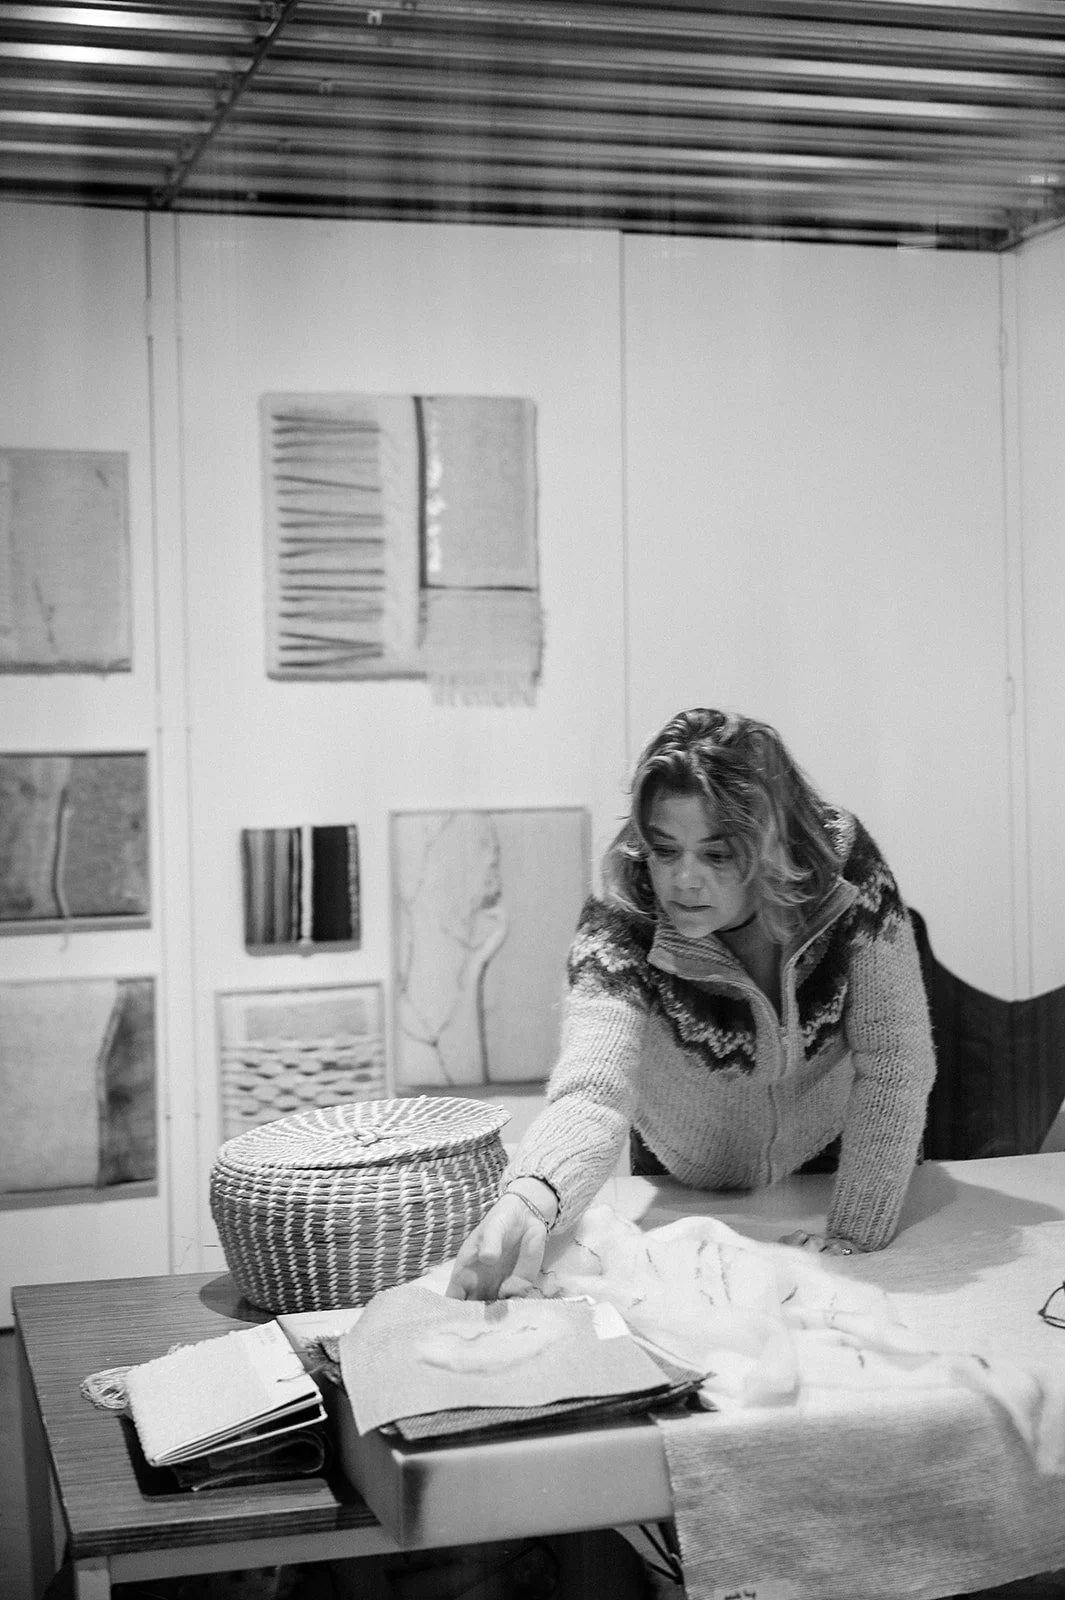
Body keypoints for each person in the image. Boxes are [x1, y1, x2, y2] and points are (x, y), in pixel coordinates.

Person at [447, 707, 936, 1301]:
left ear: (771, 843)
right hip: (683, 1179)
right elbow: (592, 1091)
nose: (683, 880)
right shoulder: (623, 911)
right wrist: (528, 1200)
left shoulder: (844, 867)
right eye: (665, 849)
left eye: (717, 854)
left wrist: (855, 1236)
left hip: (833, 1159)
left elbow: (895, 1058)